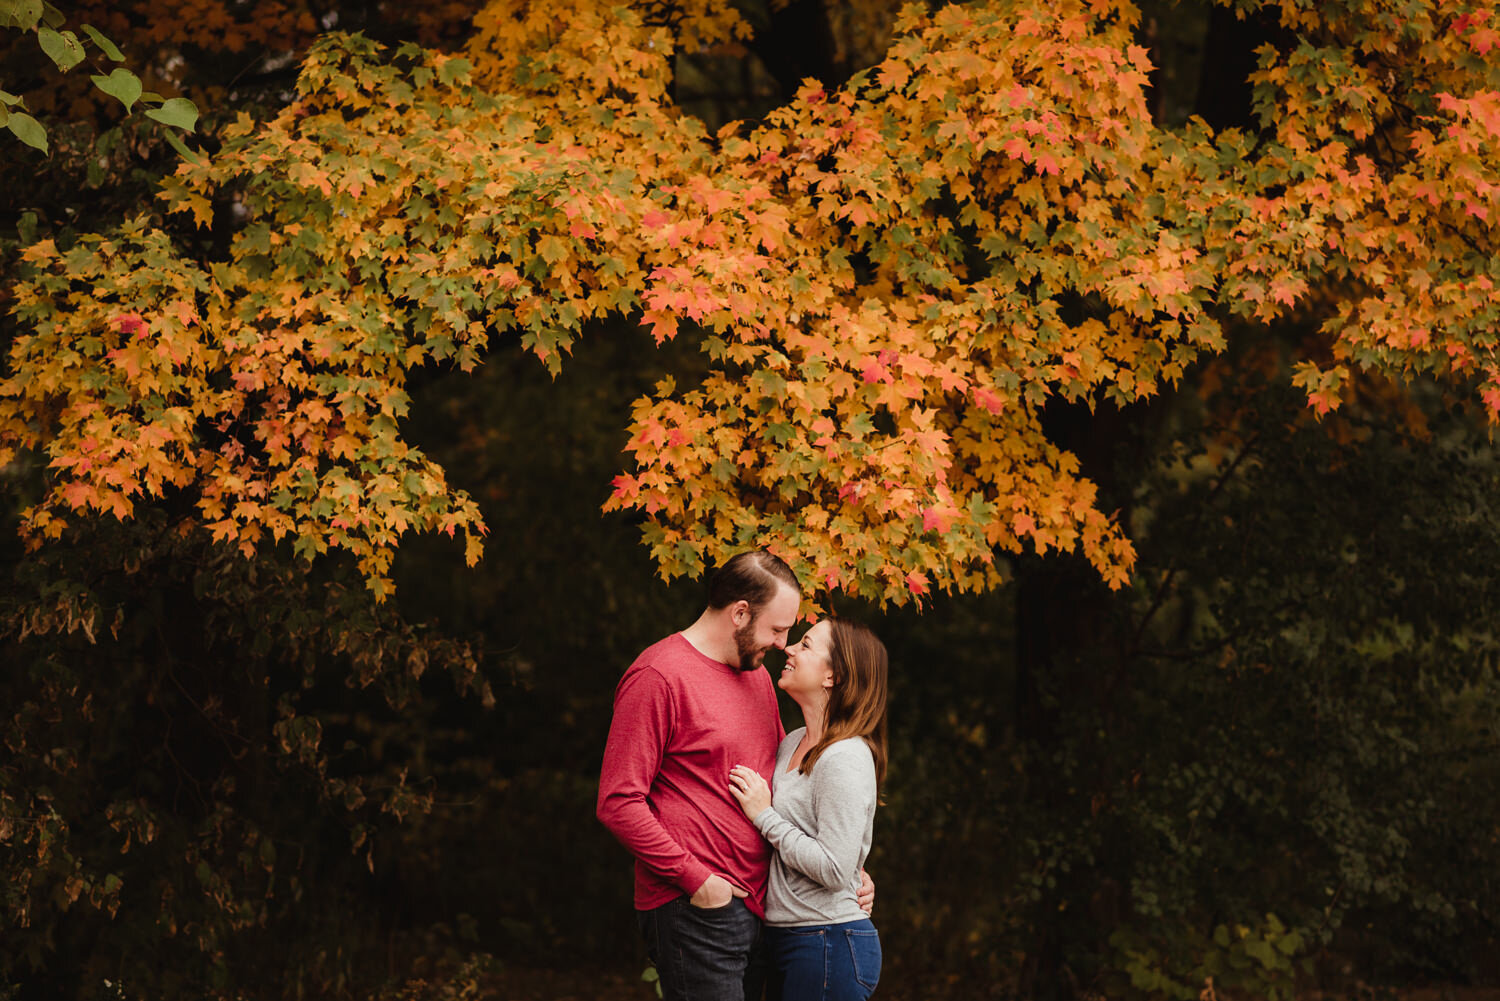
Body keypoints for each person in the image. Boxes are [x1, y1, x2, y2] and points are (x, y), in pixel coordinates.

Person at [596, 550, 873, 1001]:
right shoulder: (658, 676)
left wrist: (848, 867)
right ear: (740, 613)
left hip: (766, 908)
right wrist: (697, 881)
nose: (783, 644)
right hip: (697, 907)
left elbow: (789, 789)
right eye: (778, 630)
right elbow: (618, 802)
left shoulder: (757, 677)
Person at [728, 618, 888, 1001]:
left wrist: (764, 816)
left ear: (832, 676)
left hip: (827, 942)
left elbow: (833, 869)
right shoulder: (794, 741)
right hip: (790, 938)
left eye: (806, 645)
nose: (789, 649)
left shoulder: (845, 756)